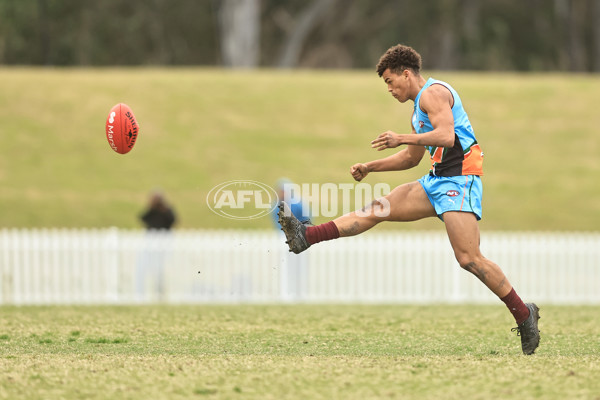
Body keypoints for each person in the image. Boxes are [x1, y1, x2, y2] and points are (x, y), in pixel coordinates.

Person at [278, 44, 540, 355]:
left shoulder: (434, 93)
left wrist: (401, 137)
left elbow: (447, 136)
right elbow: (413, 158)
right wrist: (370, 166)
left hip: (461, 180)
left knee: (469, 259)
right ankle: (307, 235)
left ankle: (524, 314)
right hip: (437, 180)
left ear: (406, 74)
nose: (389, 89)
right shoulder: (417, 110)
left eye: (390, 81)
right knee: (378, 208)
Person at [272, 178, 311, 301]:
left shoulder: (297, 205)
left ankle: (300, 293)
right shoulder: (276, 206)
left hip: (299, 239)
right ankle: (286, 293)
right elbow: (278, 223)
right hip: (284, 240)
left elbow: (306, 220)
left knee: (299, 268)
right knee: (285, 268)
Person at [137, 190, 177, 301]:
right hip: (151, 241)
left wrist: (163, 209)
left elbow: (173, 220)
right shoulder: (151, 210)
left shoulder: (167, 210)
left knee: (163, 269)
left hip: (165, 241)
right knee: (149, 268)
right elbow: (143, 218)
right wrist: (152, 207)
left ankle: (161, 291)